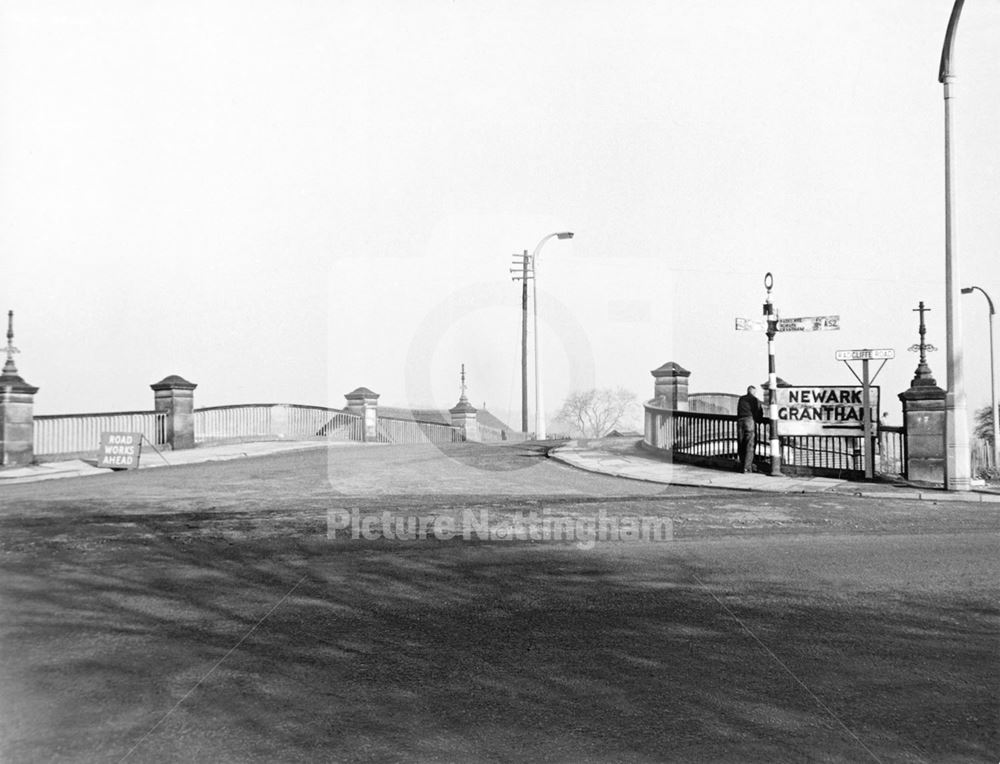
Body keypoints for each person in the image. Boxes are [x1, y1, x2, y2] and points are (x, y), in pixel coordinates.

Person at [736, 385, 764, 473]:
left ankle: (741, 464)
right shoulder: (755, 400)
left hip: (740, 421)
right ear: (754, 392)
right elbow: (759, 413)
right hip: (749, 421)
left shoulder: (741, 399)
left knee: (741, 443)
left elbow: (738, 410)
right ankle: (747, 467)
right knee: (749, 444)